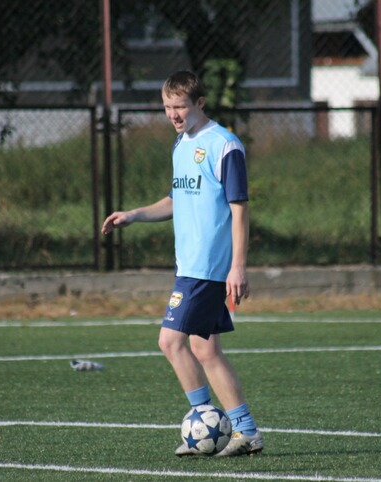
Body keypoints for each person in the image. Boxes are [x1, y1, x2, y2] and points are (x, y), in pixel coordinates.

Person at [102, 70, 263, 457]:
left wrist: (238, 266)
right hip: (189, 264)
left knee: (170, 341)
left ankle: (208, 421)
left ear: (199, 103)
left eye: (180, 107)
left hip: (207, 267)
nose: (173, 114)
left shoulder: (224, 145)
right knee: (205, 351)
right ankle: (243, 431)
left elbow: (239, 210)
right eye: (167, 107)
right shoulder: (181, 145)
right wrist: (134, 215)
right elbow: (176, 200)